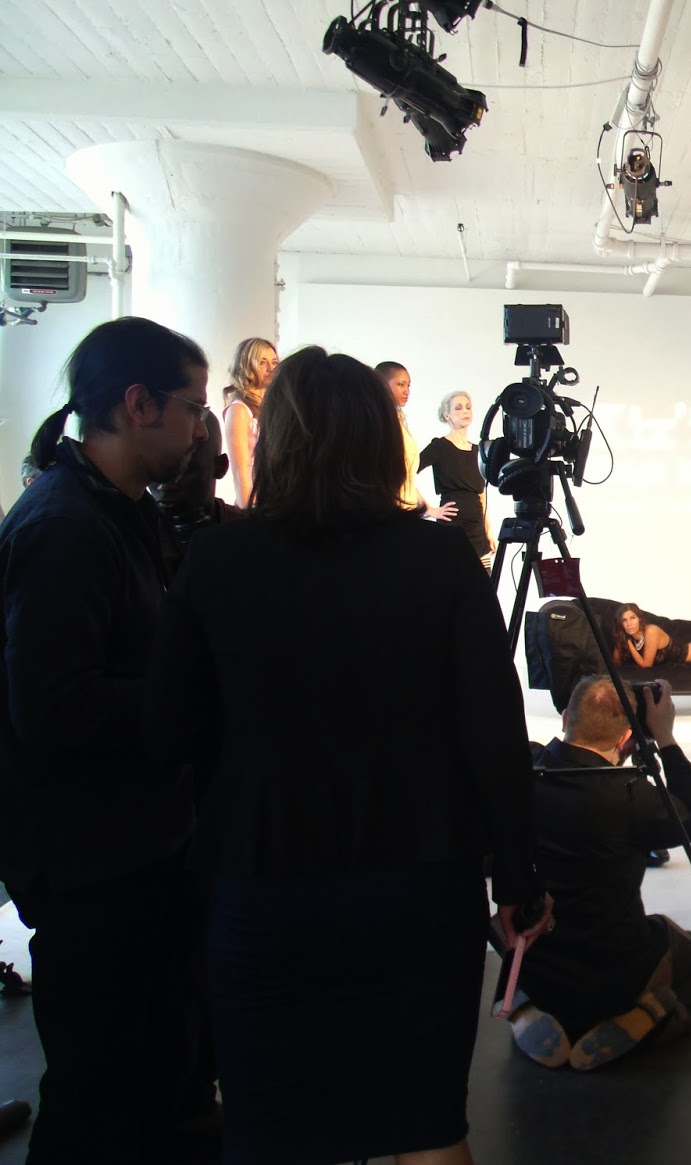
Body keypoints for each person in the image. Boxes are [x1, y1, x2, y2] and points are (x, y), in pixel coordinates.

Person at [147, 346, 546, 1165]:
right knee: (427, 1124)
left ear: (278, 439)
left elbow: (168, 730)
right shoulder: (440, 560)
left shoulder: (217, 562)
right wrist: (517, 875)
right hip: (419, 885)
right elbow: (494, 731)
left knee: (271, 1128)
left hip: (264, 884)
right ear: (378, 439)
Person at [0, 316, 210, 1164]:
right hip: (91, 864)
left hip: (138, 847)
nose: (200, 430)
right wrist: (187, 703)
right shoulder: (65, 526)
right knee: (95, 1092)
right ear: (137, 404)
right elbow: (53, 707)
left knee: (153, 1071)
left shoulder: (122, 512)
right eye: (192, 409)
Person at [504, 676, 691, 1070]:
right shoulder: (633, 798)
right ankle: (642, 1018)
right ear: (628, 739)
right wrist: (665, 738)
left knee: (523, 945)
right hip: (613, 972)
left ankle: (526, 1007)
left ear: (565, 718)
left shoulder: (525, 770)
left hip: (538, 960)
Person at [152, 407, 244, 572]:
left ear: (221, 467)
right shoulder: (136, 539)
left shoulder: (247, 533)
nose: (166, 485)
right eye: (157, 471)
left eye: (186, 470)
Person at [418, 390, 495, 569]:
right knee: (452, 578)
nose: (465, 411)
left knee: (483, 580)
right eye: (458, 408)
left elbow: (481, 495)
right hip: (452, 525)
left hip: (477, 527)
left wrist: (488, 531)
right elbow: (406, 474)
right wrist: (429, 510)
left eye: (468, 407)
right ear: (447, 415)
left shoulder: (478, 451)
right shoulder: (439, 446)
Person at [375, 360, 456, 522]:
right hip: (389, 514)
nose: (407, 391)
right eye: (400, 384)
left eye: (408, 385)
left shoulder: (399, 423)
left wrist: (428, 509)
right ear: (382, 384)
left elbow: (406, 478)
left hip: (406, 513)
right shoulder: (378, 424)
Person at [220, 336, 277, 506]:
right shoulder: (239, 410)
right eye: (262, 362)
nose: (271, 368)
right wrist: (248, 508)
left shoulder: (274, 406)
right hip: (255, 503)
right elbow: (240, 471)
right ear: (246, 366)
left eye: (274, 362)